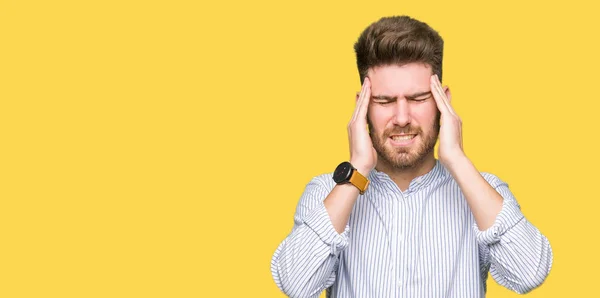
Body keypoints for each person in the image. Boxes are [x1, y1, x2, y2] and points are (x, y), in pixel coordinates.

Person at [270, 15, 553, 298]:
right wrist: (356, 168)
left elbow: (529, 272)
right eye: (385, 101)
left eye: (417, 99)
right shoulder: (327, 193)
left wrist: (457, 159)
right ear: (363, 108)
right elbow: (297, 284)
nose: (402, 118)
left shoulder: (481, 192)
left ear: (443, 102)